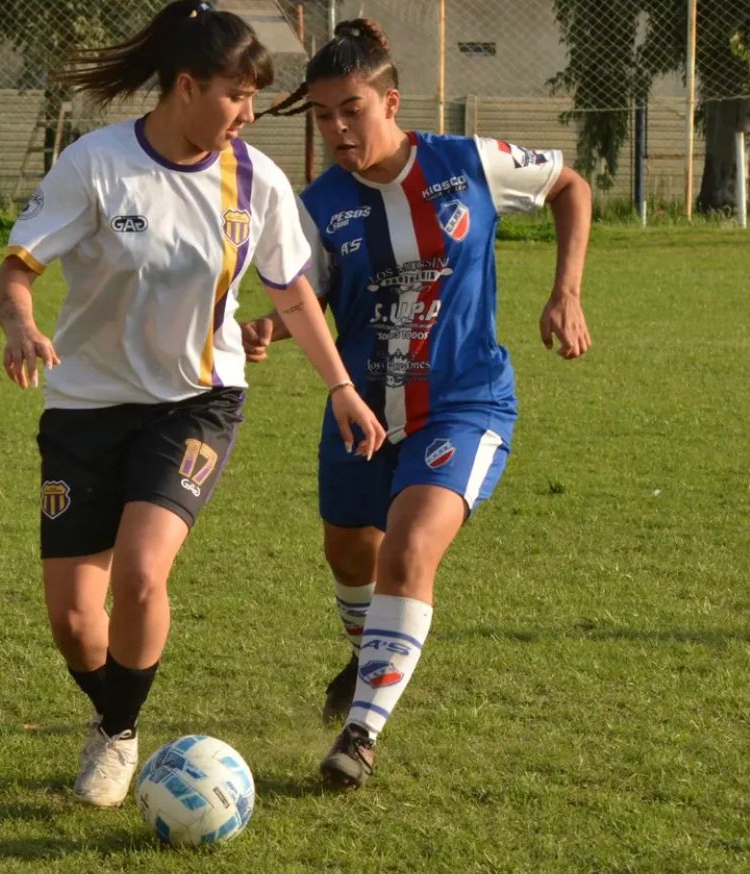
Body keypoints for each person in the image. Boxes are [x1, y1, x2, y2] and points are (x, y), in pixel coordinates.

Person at [0, 1, 386, 808]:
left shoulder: (255, 180)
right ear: (183, 86)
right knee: (73, 622)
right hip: (84, 409)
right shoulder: (95, 166)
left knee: (140, 573)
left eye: (250, 97)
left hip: (196, 404)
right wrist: (22, 328)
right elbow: (14, 272)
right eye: (235, 95)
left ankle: (119, 735)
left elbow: (295, 294)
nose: (247, 113)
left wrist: (339, 385)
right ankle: (114, 714)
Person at [242, 19, 591, 789]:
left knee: (409, 549)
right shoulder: (318, 205)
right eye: (323, 115)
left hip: (464, 403)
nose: (336, 128)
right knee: (348, 552)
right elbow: (306, 293)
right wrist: (267, 324)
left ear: (390, 101)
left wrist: (563, 292)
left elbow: (569, 185)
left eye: (352, 109)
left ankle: (359, 735)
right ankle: (369, 658)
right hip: (363, 413)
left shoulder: (468, 162)